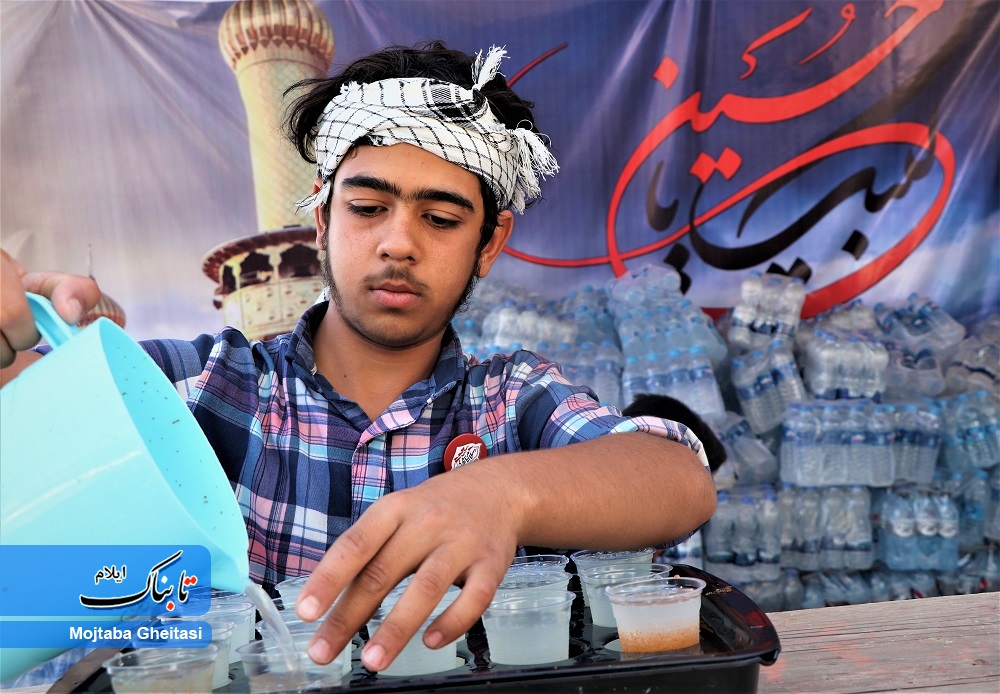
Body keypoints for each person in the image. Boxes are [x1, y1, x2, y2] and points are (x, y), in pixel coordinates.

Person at [0, 40, 716, 673]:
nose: (398, 243)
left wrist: (502, 494)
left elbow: (678, 479)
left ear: (490, 244)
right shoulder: (201, 388)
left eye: (441, 219)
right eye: (368, 208)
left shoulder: (508, 401)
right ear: (321, 218)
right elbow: (27, 563)